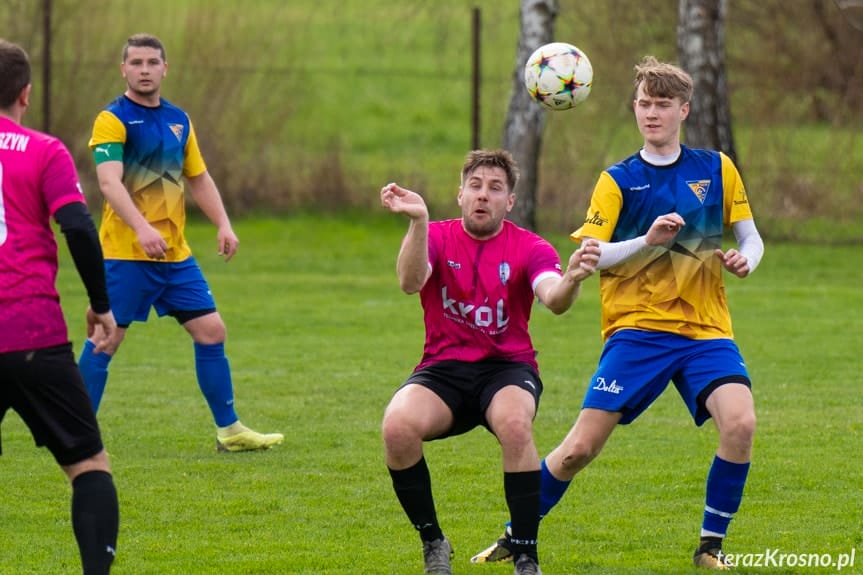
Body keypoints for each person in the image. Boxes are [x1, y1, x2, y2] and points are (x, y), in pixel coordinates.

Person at [471, 56, 764, 571]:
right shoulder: (619, 181)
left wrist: (746, 260)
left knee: (740, 424)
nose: (652, 114)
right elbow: (590, 256)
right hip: (637, 332)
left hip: (705, 330)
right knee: (579, 448)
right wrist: (647, 241)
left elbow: (750, 236)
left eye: (663, 105)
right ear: (635, 108)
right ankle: (516, 535)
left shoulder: (716, 168)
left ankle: (709, 548)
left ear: (684, 110)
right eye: (644, 104)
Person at [380, 149, 601, 575]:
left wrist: (572, 277)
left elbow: (553, 298)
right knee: (396, 426)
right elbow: (409, 283)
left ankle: (525, 554)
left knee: (516, 424)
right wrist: (418, 221)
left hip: (507, 369)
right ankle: (434, 543)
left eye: (495, 188)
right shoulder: (437, 236)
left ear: (510, 201)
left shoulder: (529, 245)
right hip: (443, 369)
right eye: (476, 186)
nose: (484, 195)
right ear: (460, 194)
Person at [75, 33, 282, 452]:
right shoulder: (111, 120)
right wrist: (141, 227)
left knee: (211, 331)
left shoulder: (178, 120)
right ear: (124, 70)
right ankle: (74, 430)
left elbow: (198, 177)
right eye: (136, 63)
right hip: (125, 253)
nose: (145, 70)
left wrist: (224, 224)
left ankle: (230, 430)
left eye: (153, 62)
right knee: (106, 339)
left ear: (165, 68)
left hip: (174, 255)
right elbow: (108, 183)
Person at [0, 38, 120, 574]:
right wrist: (100, 304)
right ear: (25, 94)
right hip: (30, 332)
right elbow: (75, 225)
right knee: (89, 465)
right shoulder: (44, 151)